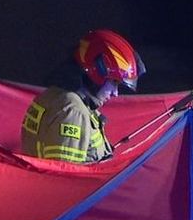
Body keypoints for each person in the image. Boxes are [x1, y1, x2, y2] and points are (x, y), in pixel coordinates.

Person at [20, 29, 144, 163]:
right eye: (114, 82)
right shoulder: (73, 111)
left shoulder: (54, 96)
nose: (115, 93)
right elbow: (65, 172)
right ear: (98, 72)